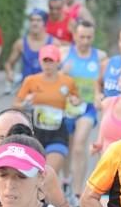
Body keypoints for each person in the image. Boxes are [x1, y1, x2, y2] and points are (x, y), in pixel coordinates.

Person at [60, 20, 108, 207]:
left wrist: (99, 96)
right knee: (67, 146)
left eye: (89, 37)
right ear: (75, 36)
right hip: (67, 106)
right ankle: (66, 180)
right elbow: (53, 77)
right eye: (82, 37)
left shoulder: (100, 56)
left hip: (87, 108)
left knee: (80, 145)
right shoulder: (65, 54)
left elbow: (103, 82)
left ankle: (79, 191)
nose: (85, 41)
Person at [13, 44, 80, 175]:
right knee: (31, 174)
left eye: (51, 61)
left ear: (58, 62)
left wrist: (75, 103)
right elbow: (16, 105)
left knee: (48, 174)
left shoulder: (68, 82)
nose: (48, 65)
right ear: (40, 62)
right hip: (35, 133)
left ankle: (61, 187)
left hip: (58, 133)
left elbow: (77, 102)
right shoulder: (31, 80)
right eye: (45, 61)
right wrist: (26, 103)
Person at [4, 9, 54, 94]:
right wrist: (9, 72)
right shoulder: (21, 43)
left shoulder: (54, 43)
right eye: (32, 20)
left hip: (47, 91)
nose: (35, 23)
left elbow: (61, 67)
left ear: (44, 23)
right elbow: (8, 63)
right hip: (26, 91)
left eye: (38, 20)